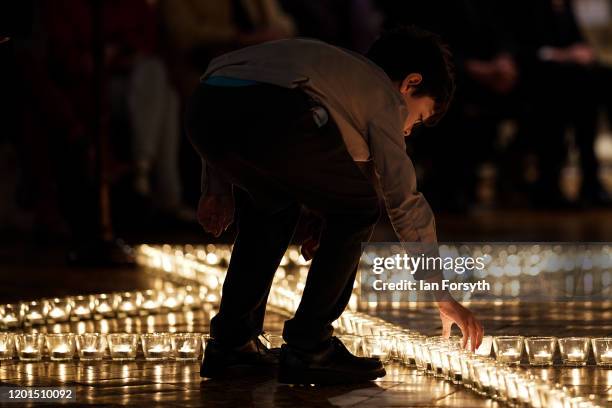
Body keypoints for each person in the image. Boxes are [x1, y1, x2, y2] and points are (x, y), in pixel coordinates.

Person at [185, 27, 483, 385]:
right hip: (275, 111)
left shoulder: (334, 74)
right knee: (359, 209)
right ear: (410, 84)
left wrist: (215, 187)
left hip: (203, 105)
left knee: (274, 207)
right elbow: (404, 200)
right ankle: (311, 346)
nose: (406, 132)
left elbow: (233, 92)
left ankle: (232, 343)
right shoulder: (382, 94)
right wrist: (440, 294)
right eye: (417, 119)